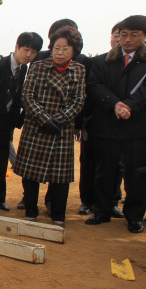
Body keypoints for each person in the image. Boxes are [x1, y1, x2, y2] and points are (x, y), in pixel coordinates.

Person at [13, 27, 86, 226]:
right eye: (56, 48)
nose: (60, 52)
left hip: (61, 130)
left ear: (74, 51)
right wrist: (44, 119)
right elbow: (27, 96)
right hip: (37, 127)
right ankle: (30, 211)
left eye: (65, 49)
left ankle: (58, 215)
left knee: (60, 177)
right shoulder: (37, 66)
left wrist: (59, 120)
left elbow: (79, 101)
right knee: (30, 174)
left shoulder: (79, 70)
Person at [85, 15, 146, 233]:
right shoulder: (102, 61)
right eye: (123, 34)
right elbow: (94, 85)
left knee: (136, 175)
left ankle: (134, 216)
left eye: (134, 35)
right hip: (107, 126)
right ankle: (101, 211)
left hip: (137, 129)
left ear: (143, 37)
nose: (127, 39)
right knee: (104, 172)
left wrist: (129, 106)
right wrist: (115, 104)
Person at [0, 32, 43, 211]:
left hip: (6, 125)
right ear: (17, 47)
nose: (29, 55)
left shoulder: (23, 69)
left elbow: (18, 94)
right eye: (26, 50)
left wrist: (17, 120)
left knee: (0, 166)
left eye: (33, 52)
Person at [76, 22, 124, 218]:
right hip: (95, 122)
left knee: (117, 166)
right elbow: (88, 91)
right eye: (117, 35)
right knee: (89, 162)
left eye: (125, 35)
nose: (120, 40)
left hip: (124, 124)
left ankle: (112, 202)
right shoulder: (97, 62)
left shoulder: (138, 63)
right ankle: (87, 202)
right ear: (111, 38)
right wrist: (82, 122)